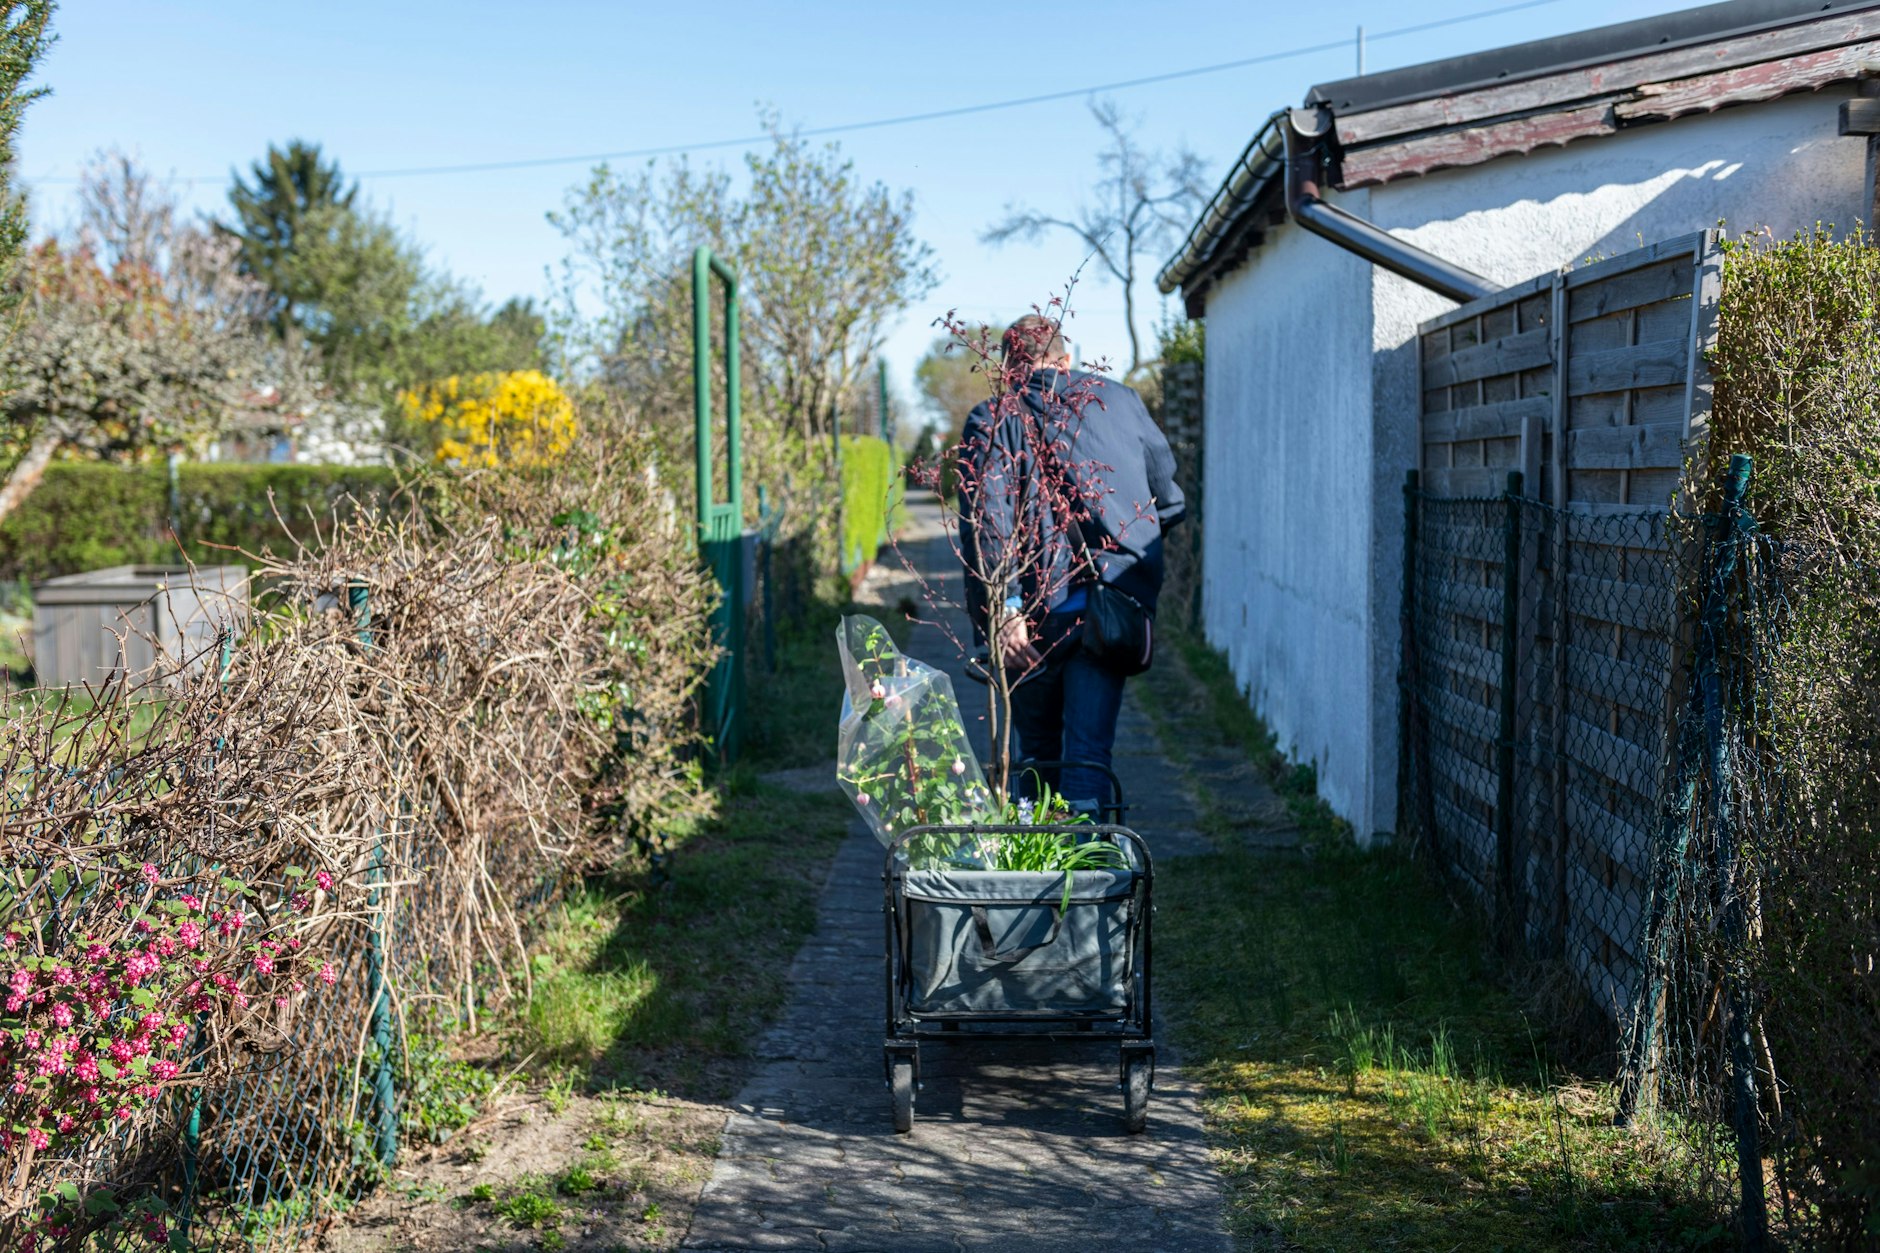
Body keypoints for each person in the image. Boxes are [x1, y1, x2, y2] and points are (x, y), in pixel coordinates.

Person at [957, 314, 1185, 813]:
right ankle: (1090, 880)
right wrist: (1119, 558)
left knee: (1034, 758)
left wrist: (1005, 612)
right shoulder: (1120, 402)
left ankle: (1032, 876)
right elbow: (1169, 502)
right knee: (1089, 758)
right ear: (1066, 359)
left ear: (1007, 367)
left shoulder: (993, 418)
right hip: (1108, 614)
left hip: (1032, 625)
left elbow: (988, 523)